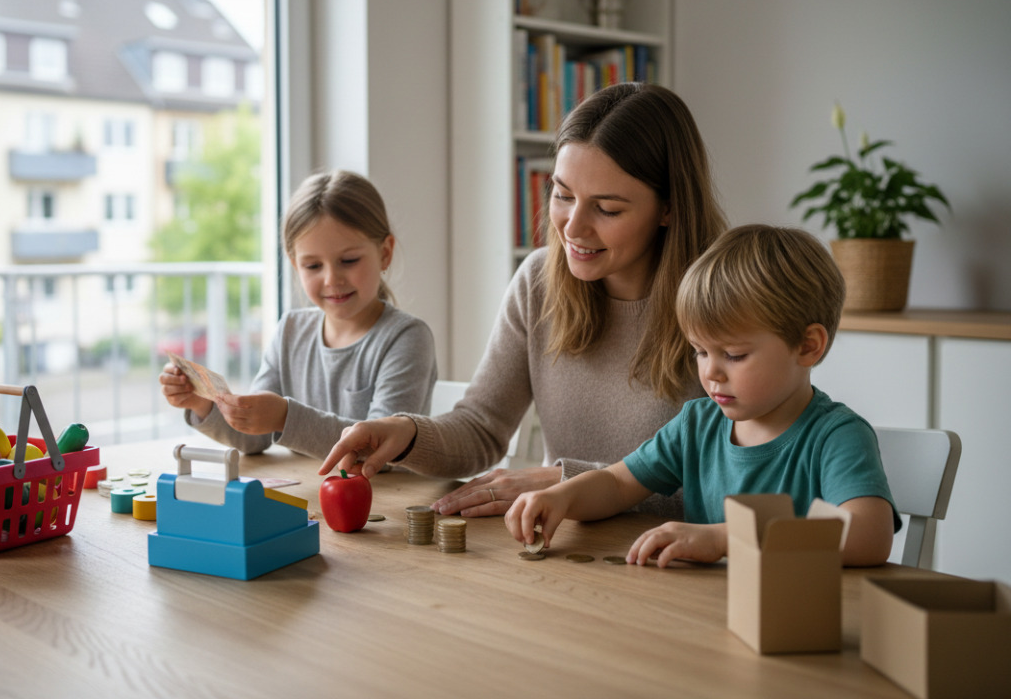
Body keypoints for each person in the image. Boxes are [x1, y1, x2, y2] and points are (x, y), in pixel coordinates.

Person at [319, 83, 728, 518]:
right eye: (563, 195)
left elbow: (735, 482)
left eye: (607, 209)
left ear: (668, 208)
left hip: (676, 566)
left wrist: (569, 481)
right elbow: (481, 428)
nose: (572, 228)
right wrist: (408, 432)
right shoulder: (539, 282)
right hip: (563, 552)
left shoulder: (724, 298)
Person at [504, 225, 899, 567]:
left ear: (808, 346)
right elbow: (617, 484)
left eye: (734, 355)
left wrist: (724, 538)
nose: (710, 371)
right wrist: (561, 497)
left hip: (797, 623)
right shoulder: (697, 424)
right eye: (700, 351)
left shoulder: (837, 436)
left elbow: (868, 535)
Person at [159, 170, 437, 460]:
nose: (331, 279)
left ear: (385, 253)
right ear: (295, 264)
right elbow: (255, 437)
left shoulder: (407, 338)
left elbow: (378, 452)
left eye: (349, 260)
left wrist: (285, 417)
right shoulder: (291, 330)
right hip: (306, 497)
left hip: (386, 500)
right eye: (313, 266)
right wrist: (201, 404)